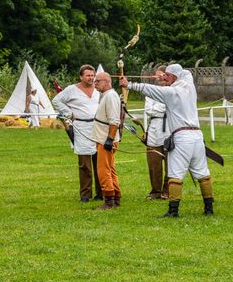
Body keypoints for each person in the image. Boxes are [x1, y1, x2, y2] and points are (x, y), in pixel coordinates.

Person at [120, 64, 215, 217]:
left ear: (174, 77)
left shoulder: (171, 92)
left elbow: (150, 89)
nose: (165, 78)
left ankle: (173, 210)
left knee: (175, 173)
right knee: (203, 173)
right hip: (197, 136)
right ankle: (209, 208)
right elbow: (185, 72)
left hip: (182, 137)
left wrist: (129, 84)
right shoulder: (189, 84)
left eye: (168, 76)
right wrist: (164, 76)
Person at [52, 65, 102, 202]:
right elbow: (56, 101)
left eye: (92, 75)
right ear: (81, 76)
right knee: (85, 164)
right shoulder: (71, 90)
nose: (91, 78)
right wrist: (69, 113)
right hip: (81, 127)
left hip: (98, 126)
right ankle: (85, 194)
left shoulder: (98, 89)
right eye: (88, 75)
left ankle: (101, 193)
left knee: (100, 162)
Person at [91, 72, 122, 210]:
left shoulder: (110, 96)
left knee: (103, 170)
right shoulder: (106, 96)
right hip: (104, 138)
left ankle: (109, 200)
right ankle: (116, 197)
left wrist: (110, 139)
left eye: (98, 81)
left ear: (106, 82)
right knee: (110, 168)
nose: (95, 83)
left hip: (106, 140)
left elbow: (114, 120)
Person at [144, 66, 170, 200]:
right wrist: (164, 109)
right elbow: (149, 110)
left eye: (162, 75)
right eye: (157, 76)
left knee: (171, 162)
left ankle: (168, 191)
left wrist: (163, 108)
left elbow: (172, 108)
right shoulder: (151, 92)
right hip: (154, 129)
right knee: (154, 163)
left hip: (170, 129)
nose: (159, 78)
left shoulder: (173, 91)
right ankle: (155, 191)